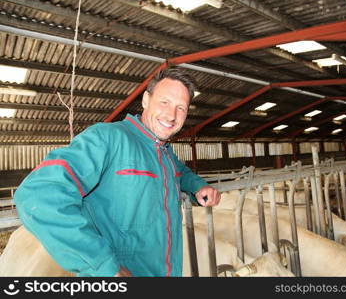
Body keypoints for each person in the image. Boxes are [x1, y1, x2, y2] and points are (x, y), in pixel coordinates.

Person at [14, 67, 221, 277]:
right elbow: (38, 195)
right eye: (164, 102)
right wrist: (103, 266)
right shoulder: (106, 138)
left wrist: (198, 186)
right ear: (145, 100)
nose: (171, 115)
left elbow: (180, 171)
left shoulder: (163, 151)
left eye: (181, 108)